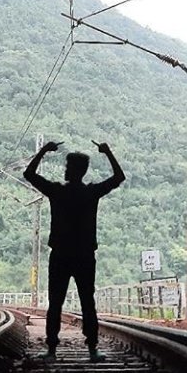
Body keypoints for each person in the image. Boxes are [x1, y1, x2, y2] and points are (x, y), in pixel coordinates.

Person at [23, 139, 125, 361]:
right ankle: (92, 349)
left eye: (68, 167)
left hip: (60, 255)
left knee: (55, 302)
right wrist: (107, 152)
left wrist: (43, 151)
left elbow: (29, 174)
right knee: (88, 301)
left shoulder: (57, 192)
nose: (66, 170)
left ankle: (51, 349)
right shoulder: (91, 193)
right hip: (85, 256)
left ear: (74, 170)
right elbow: (119, 177)